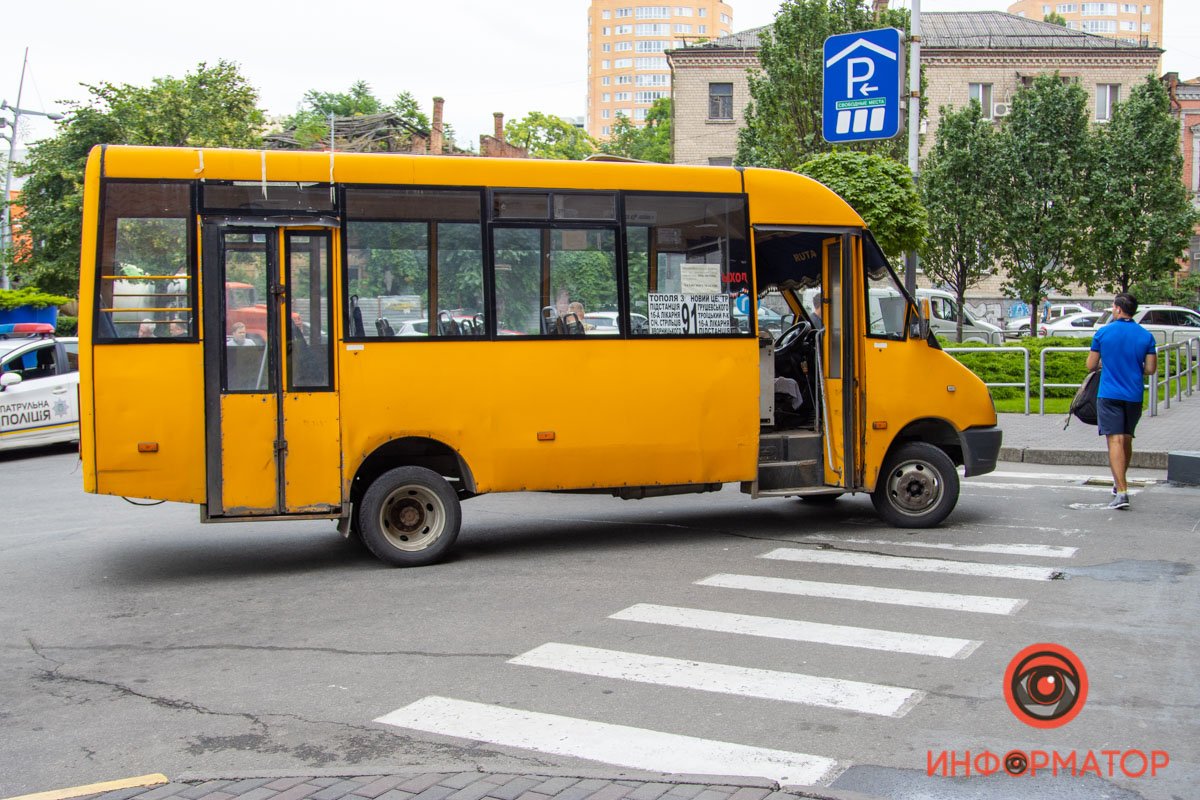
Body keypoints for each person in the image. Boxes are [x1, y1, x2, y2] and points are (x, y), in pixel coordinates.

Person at [1086, 292, 1157, 510]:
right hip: (1134, 395)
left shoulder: (1103, 333)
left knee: (1114, 441)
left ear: (1118, 308)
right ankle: (1119, 484)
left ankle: (1122, 491)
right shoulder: (1146, 336)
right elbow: (1151, 369)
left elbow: (1090, 365)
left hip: (1109, 394)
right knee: (1127, 439)